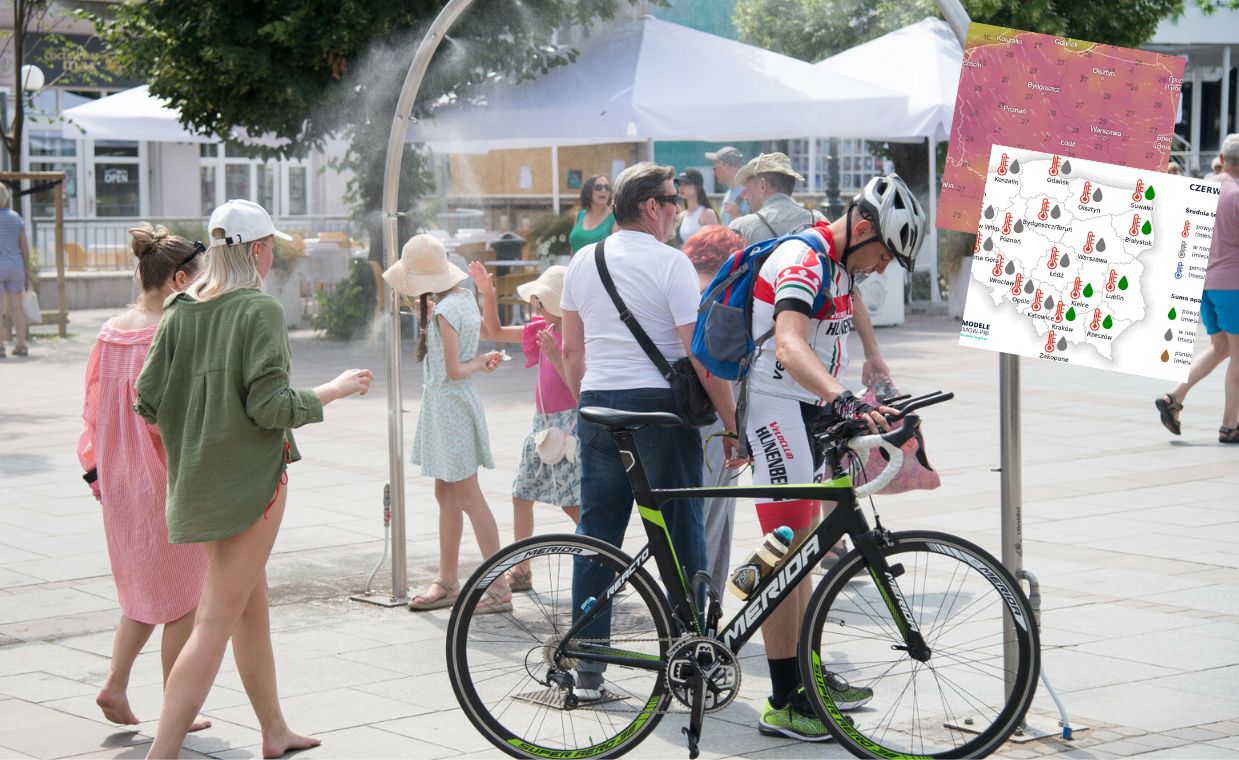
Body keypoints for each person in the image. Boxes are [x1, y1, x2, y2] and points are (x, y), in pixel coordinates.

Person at [135, 199, 373, 759]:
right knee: (217, 618)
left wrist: (191, 437)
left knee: (249, 606)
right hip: (251, 484)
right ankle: (161, 753)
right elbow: (270, 407)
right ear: (260, 249)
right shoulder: (258, 310)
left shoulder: (179, 308)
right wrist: (333, 390)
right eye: (271, 246)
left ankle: (274, 730)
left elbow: (146, 401)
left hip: (200, 480)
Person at [745, 174, 927, 742]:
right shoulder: (804, 259)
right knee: (786, 555)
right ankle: (783, 700)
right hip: (775, 407)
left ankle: (807, 672)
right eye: (884, 255)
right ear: (865, 229)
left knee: (802, 551)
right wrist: (841, 397)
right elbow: (789, 343)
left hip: (805, 410)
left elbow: (851, 310)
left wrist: (872, 360)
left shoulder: (840, 261)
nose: (883, 268)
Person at [561, 162, 741, 699]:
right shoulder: (671, 265)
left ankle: (589, 668)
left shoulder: (581, 261)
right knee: (682, 530)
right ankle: (691, 659)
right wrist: (733, 426)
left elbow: (572, 350)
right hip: (661, 414)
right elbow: (701, 357)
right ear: (650, 207)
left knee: (597, 536)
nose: (677, 212)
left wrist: (589, 405)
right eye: (673, 202)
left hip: (598, 408)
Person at [78, 224, 211, 731]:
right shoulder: (167, 334)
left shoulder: (111, 331)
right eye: (198, 282)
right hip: (164, 480)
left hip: (118, 480)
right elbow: (170, 419)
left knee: (141, 590)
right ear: (179, 280)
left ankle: (114, 685)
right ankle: (174, 710)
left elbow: (92, 412)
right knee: (185, 600)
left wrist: (98, 473)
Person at [386, 234, 511, 611]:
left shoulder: (444, 310)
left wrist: (477, 363)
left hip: (450, 405)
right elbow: (482, 340)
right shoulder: (461, 298)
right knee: (447, 493)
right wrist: (481, 359)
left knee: (469, 496)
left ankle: (500, 586)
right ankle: (448, 578)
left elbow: (455, 369)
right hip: (450, 405)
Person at [468, 261, 581, 591]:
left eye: (540, 302)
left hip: (568, 427)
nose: (536, 307)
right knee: (521, 493)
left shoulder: (575, 335)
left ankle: (605, 559)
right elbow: (494, 332)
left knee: (572, 503)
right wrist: (488, 294)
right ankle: (521, 570)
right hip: (542, 425)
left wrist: (556, 354)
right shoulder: (541, 329)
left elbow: (578, 386)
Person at [1157, 133, 1239, 444]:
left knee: (1220, 347)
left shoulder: (1204, 185)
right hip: (1232, 285)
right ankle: (1230, 425)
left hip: (1202, 280)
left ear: (1221, 156)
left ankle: (1173, 399)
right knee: (1238, 356)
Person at [681, 226, 747, 599]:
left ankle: (704, 608)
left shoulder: (684, 286)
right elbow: (709, 362)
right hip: (717, 413)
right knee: (714, 517)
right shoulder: (716, 294)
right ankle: (703, 608)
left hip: (695, 415)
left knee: (705, 515)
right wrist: (733, 421)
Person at [0, 184, 30, 358]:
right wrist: (27, 268)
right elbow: (24, 247)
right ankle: (21, 345)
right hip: (16, 267)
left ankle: (1, 347)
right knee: (16, 307)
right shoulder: (16, 218)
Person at [568, 174, 615, 254]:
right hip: (575, 266)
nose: (603, 190)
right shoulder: (580, 215)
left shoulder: (615, 218)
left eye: (607, 188)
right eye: (598, 187)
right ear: (588, 191)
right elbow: (573, 250)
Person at [674, 168, 720, 246]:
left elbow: (716, 244)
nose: (681, 188)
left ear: (697, 187)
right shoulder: (682, 215)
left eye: (685, 183)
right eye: (679, 184)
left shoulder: (708, 214)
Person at [706, 146, 750, 225]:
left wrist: (737, 215)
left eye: (715, 168)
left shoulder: (751, 193)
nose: (714, 172)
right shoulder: (728, 194)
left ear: (727, 167)